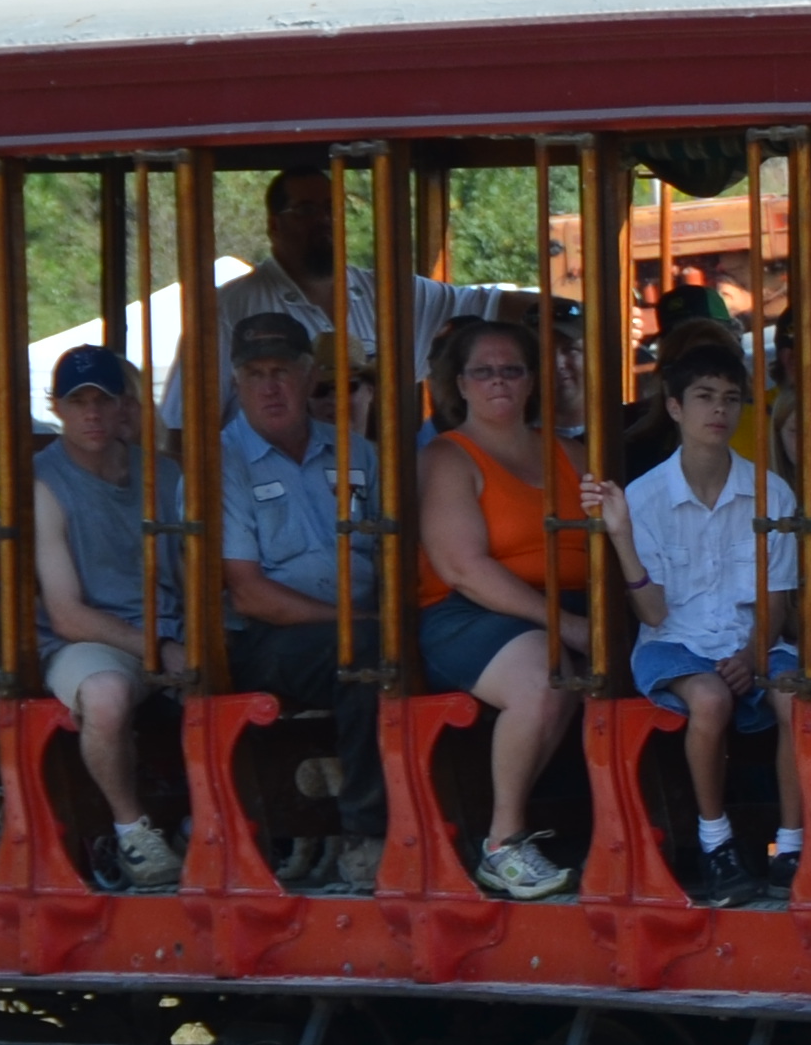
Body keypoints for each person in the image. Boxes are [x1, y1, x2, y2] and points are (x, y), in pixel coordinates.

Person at [587, 334, 811, 906]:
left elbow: (777, 602)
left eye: (731, 398)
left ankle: (791, 846)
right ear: (674, 407)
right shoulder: (643, 497)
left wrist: (753, 658)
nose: (719, 410)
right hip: (674, 642)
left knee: (796, 695)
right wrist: (621, 540)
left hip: (749, 640)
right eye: (705, 396)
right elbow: (655, 613)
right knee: (710, 699)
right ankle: (716, 843)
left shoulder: (772, 493)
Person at [416, 312, 594, 901]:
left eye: (512, 370)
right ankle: (503, 844)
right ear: (459, 383)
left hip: (568, 607)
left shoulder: (569, 453)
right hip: (468, 614)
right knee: (545, 681)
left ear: (531, 381)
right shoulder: (448, 457)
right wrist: (566, 625)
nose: (499, 382)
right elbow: (463, 568)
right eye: (483, 371)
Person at [216, 307, 386, 894]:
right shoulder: (221, 464)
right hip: (266, 639)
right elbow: (250, 593)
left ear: (308, 373)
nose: (270, 385)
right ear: (236, 381)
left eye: (283, 370)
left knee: (439, 640)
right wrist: (360, 621)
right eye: (255, 372)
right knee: (367, 654)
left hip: (363, 622)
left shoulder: (356, 453)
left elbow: (395, 551)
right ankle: (369, 835)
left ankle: (473, 828)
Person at [26, 346, 188, 890]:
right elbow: (67, 615)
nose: (92, 414)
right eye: (78, 402)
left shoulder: (164, 477)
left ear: (125, 407)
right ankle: (132, 833)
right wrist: (159, 648)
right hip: (89, 641)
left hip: (168, 631)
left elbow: (193, 578)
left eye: (103, 400)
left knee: (246, 671)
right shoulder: (43, 483)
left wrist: (201, 640)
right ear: (57, 409)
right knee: (105, 696)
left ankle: (232, 827)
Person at [217, 163, 495, 389]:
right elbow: (187, 427)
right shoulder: (229, 307)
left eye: (332, 208)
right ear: (274, 225)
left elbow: (489, 304)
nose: (324, 219)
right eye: (306, 210)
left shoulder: (386, 290)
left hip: (377, 458)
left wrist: (535, 315)